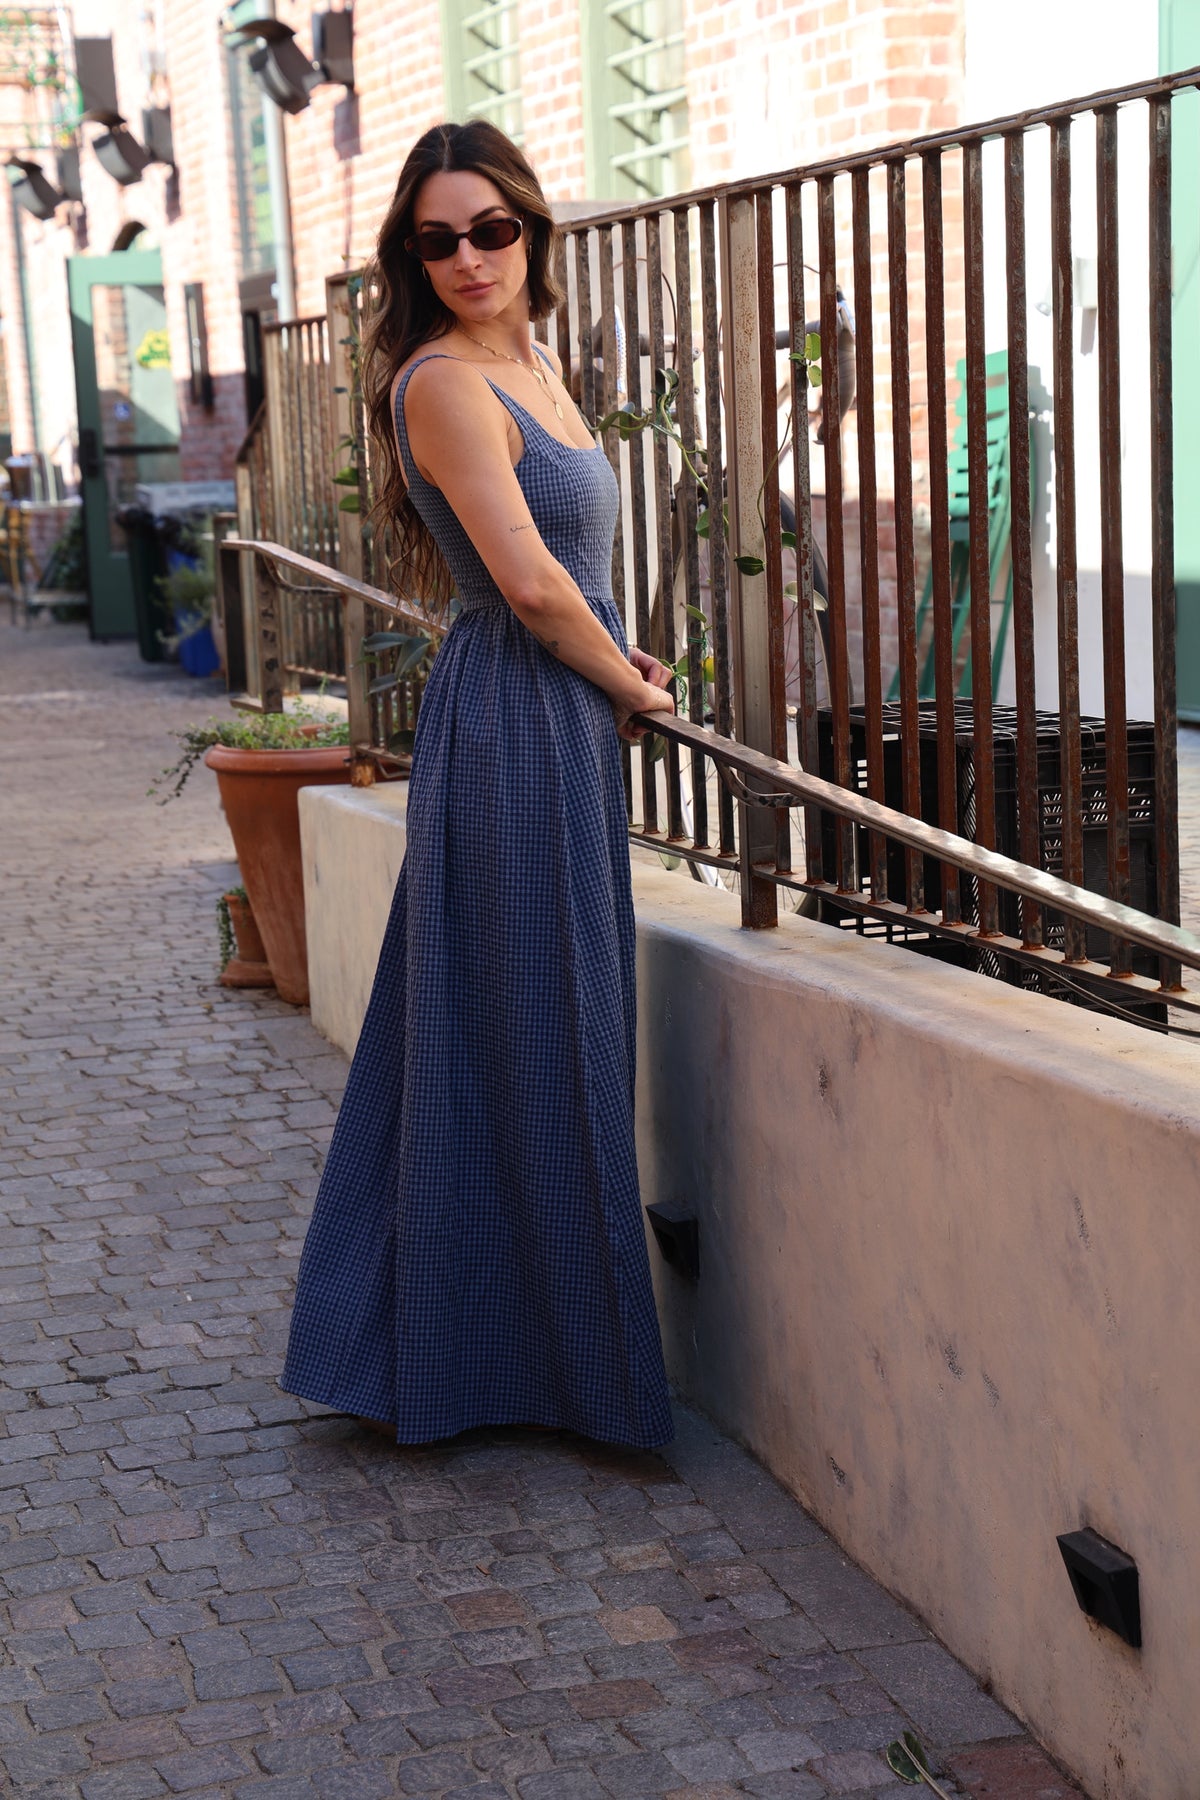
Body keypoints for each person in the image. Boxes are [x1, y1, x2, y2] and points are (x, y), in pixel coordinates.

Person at [281, 120, 677, 1448]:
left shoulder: (538, 362)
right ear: (414, 254)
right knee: (530, 1027)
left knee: (535, 1025)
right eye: (435, 239)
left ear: (531, 229)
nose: (466, 257)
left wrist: (614, 654)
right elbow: (522, 582)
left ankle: (512, 1350)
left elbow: (567, 574)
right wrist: (628, 687)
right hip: (515, 728)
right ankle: (504, 1362)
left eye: (490, 229)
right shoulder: (446, 384)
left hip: (555, 714)